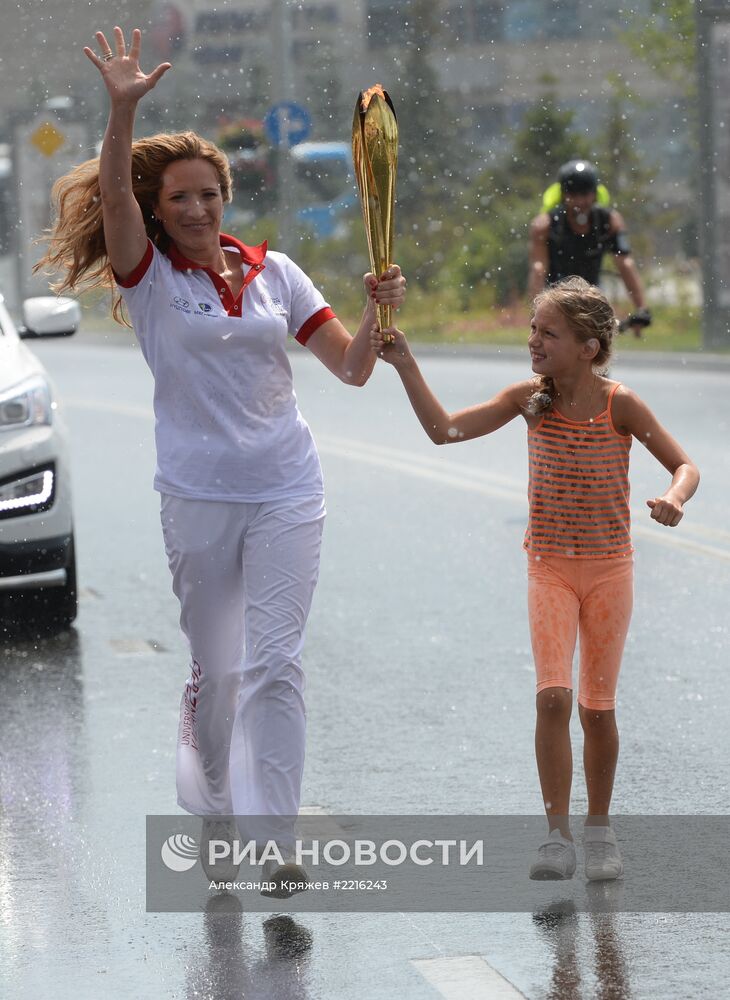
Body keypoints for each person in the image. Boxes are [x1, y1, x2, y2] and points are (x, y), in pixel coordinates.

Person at [38, 26, 406, 897]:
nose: (198, 209)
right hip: (198, 494)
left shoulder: (278, 274)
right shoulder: (149, 278)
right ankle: (212, 809)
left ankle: (277, 841)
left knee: (277, 663)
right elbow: (115, 202)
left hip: (287, 487)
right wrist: (122, 111)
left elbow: (351, 369)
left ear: (226, 197)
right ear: (158, 208)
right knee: (222, 673)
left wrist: (377, 314)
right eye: (181, 198)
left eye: (210, 194)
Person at [371, 276, 699, 882]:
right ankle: (556, 837)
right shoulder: (530, 399)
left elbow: (685, 465)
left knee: (597, 710)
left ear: (588, 348)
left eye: (548, 333)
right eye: (532, 329)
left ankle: (598, 830)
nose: (533, 341)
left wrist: (675, 497)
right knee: (553, 697)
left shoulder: (619, 404)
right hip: (549, 565)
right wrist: (406, 364)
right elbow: (445, 430)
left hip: (609, 570)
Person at [528, 160, 651, 338]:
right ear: (563, 195)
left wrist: (641, 309)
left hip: (591, 298)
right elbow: (538, 269)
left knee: (596, 346)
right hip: (555, 298)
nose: (580, 201)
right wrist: (536, 316)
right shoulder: (545, 226)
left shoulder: (610, 222)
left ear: (594, 194)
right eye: (573, 194)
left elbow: (625, 264)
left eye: (585, 194)